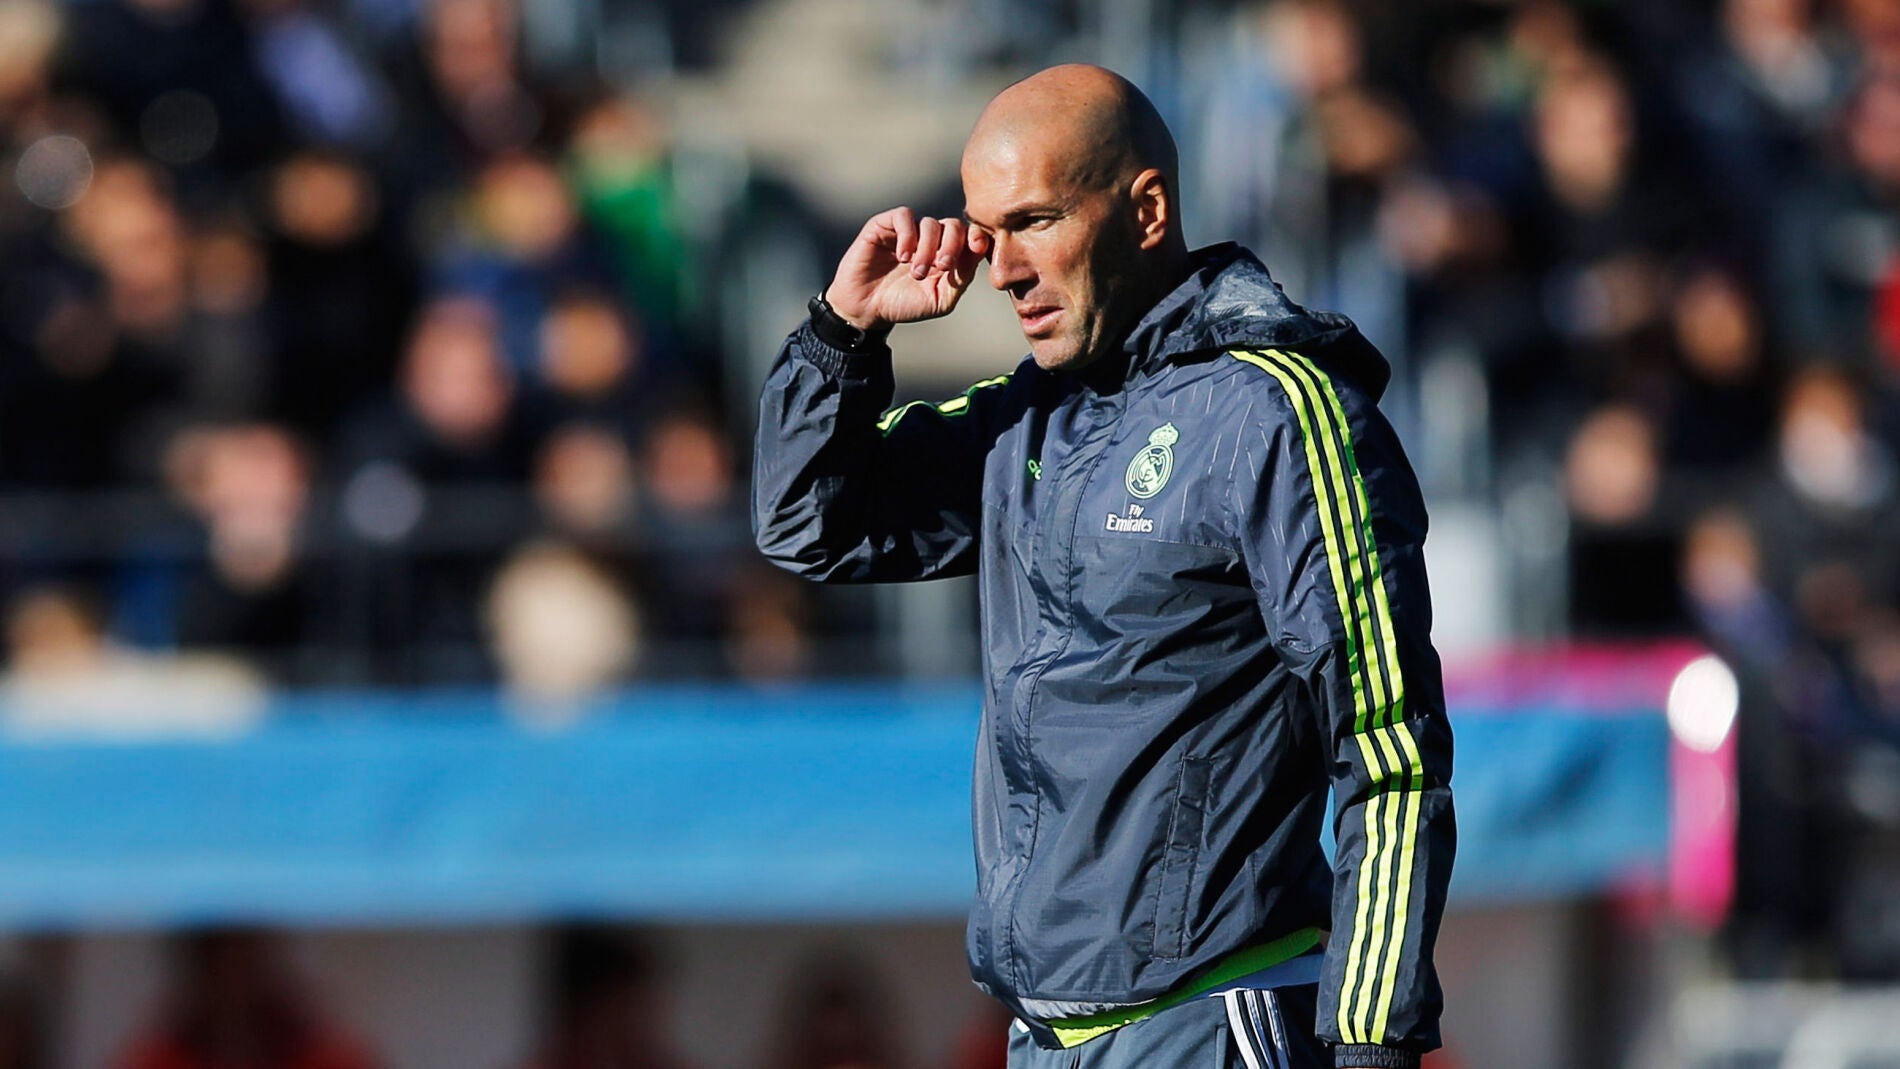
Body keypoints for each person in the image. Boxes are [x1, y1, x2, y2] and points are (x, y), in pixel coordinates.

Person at [752, 65, 1454, 1069]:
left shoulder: (1275, 415)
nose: (1002, 271)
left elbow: (1389, 745)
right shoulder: (1027, 419)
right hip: (1043, 1040)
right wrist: (842, 333)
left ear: (1147, 211)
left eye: (1034, 221)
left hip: (1211, 1025)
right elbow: (808, 524)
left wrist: (1373, 1042)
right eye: (986, 236)